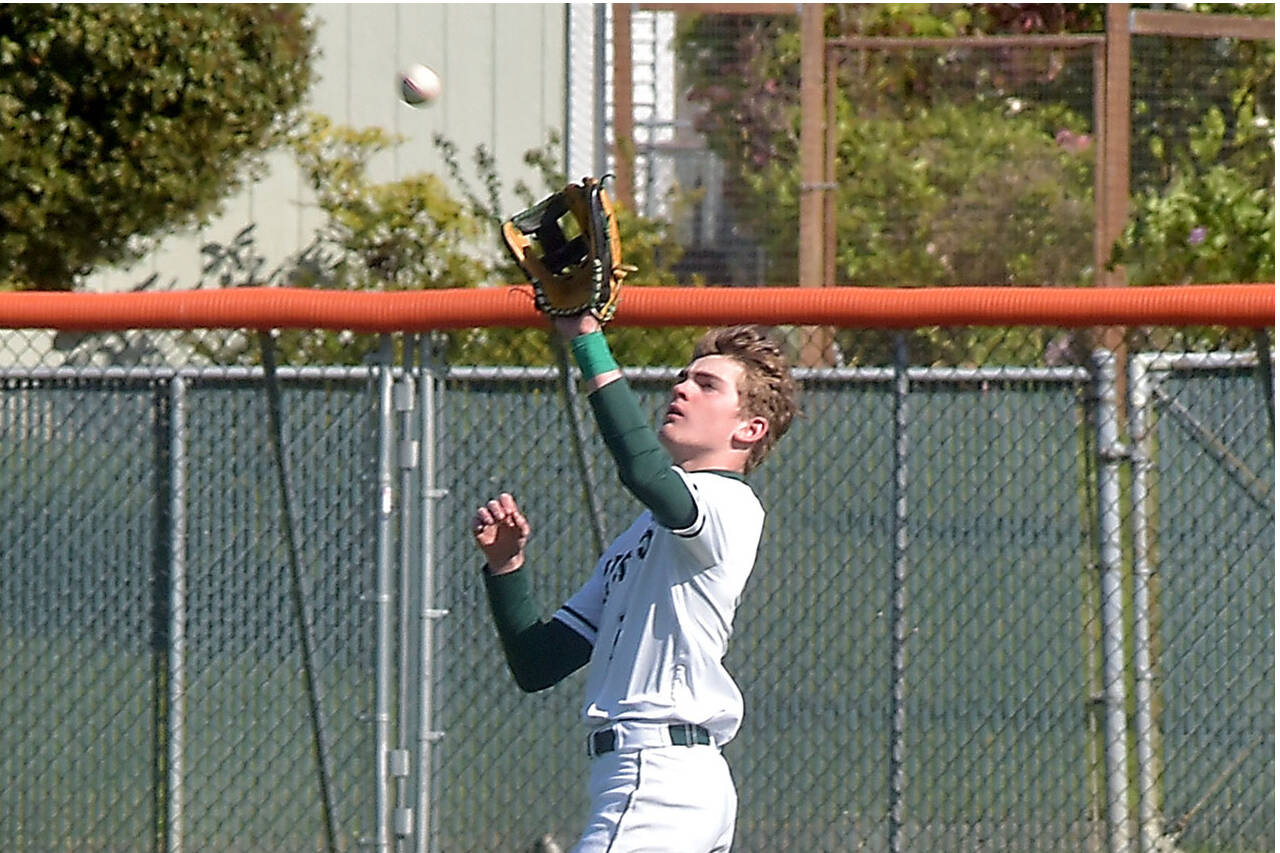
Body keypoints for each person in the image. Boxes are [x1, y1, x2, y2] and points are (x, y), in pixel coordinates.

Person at [472, 313, 797, 853]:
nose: (682, 388)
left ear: (749, 428)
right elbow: (539, 662)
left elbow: (643, 473)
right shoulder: (641, 536)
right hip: (655, 775)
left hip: (659, 777)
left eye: (706, 384)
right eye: (683, 377)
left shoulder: (729, 504)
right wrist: (507, 569)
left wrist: (587, 340)